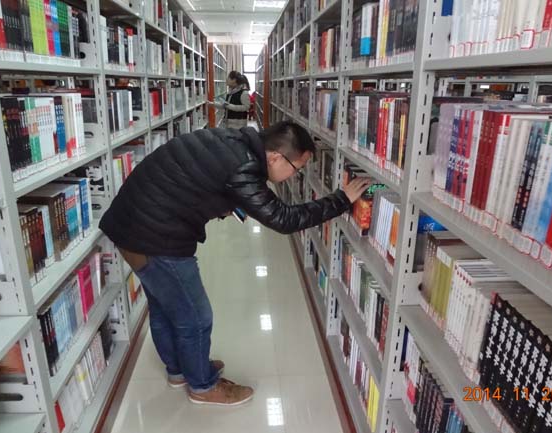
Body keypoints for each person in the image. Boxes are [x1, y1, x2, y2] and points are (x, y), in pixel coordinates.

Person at [99, 121, 372, 406]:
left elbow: (201, 180)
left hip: (131, 226)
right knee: (196, 317)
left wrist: (225, 202)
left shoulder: (235, 142)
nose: (295, 175)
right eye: (296, 168)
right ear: (275, 157)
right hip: (155, 238)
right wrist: (342, 200)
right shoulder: (243, 167)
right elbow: (285, 219)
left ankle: (181, 370)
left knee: (164, 308)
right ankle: (202, 386)